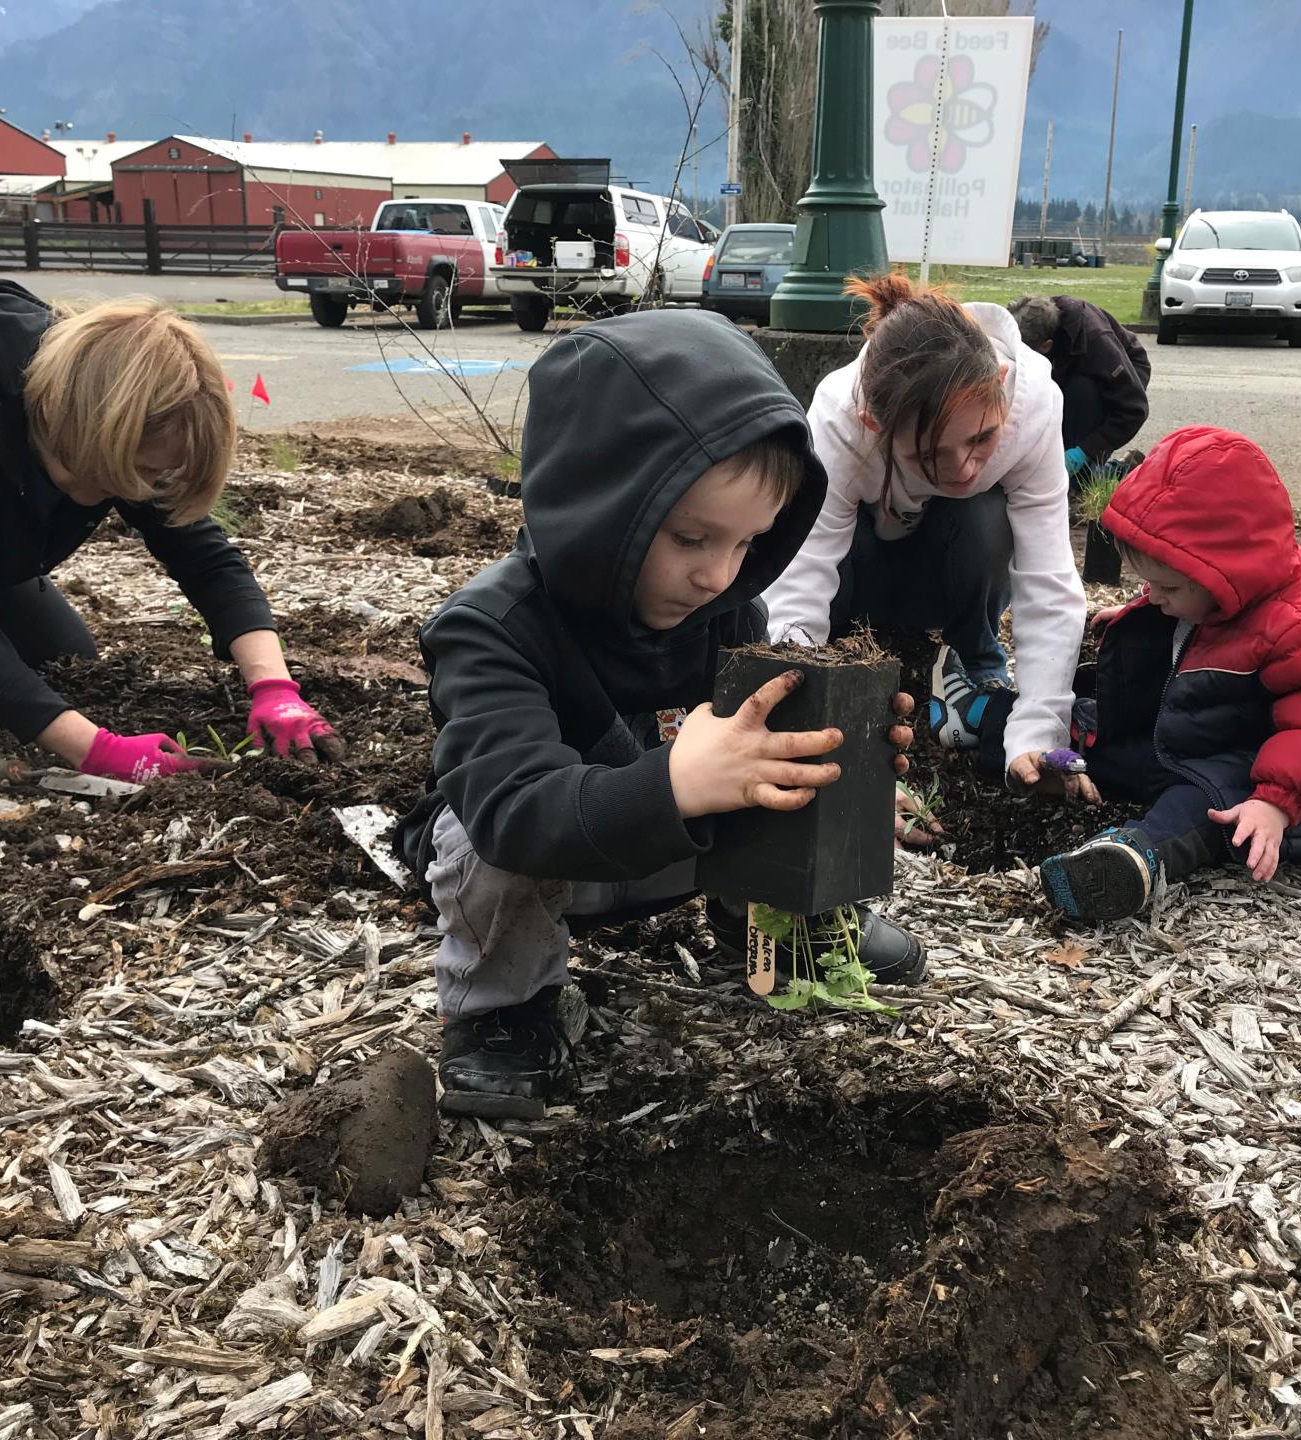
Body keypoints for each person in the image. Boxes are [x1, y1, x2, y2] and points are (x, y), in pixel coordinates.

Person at [395, 309, 926, 1121]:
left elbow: (758, 756)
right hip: (540, 858)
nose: (719, 575)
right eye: (690, 538)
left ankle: (779, 933)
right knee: (475, 841)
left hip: (666, 842)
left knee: (776, 751)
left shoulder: (725, 613)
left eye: (747, 545)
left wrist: (843, 756)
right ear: (599, 505)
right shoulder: (492, 628)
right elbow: (513, 811)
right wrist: (680, 780)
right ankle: (503, 1007)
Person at [0, 277, 340, 784]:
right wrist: (97, 752)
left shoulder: (102, 398)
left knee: (66, 662)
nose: (144, 490)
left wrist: (274, 687)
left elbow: (203, 554)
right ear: (86, 439)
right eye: (140, 475)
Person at [760, 274, 1089, 808]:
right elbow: (800, 575)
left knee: (984, 509)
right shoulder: (840, 416)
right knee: (825, 528)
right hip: (862, 575)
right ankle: (853, 649)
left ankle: (973, 659)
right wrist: (809, 728)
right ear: (873, 423)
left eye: (982, 438)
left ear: (1001, 381)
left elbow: (1049, 579)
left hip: (951, 558)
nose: (962, 469)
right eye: (930, 455)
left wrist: (1035, 734)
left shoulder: (1035, 406)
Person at [1038, 426, 1301, 923]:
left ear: (1223, 574)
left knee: (1204, 804)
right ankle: (987, 721)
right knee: (1100, 741)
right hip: (1195, 739)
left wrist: (1277, 804)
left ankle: (1137, 856)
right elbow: (1190, 630)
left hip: (1273, 774)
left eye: (1167, 587)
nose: (1154, 596)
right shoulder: (1209, 595)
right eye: (1148, 584)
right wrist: (1133, 617)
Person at [1007, 294, 1151, 479]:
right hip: (1069, 368)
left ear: (1046, 346)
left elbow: (1134, 410)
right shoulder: (1036, 320)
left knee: (1081, 392)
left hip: (1122, 377)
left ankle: (1107, 472)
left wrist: (1083, 451)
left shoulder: (1096, 341)